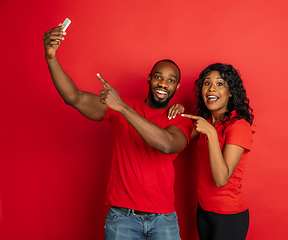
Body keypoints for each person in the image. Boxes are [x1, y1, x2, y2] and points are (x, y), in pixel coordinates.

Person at [42, 23, 193, 240]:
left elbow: (167, 144)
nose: (163, 83)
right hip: (123, 219)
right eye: (158, 77)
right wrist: (51, 58)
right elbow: (74, 97)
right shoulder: (118, 107)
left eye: (171, 80)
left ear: (177, 87)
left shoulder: (180, 118)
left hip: (164, 219)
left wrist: (123, 107)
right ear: (149, 79)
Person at [169, 63, 254, 240]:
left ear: (230, 92)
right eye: (207, 83)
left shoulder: (238, 126)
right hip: (203, 210)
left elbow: (221, 179)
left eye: (220, 84)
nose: (212, 88)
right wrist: (178, 112)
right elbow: (174, 140)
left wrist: (211, 133)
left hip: (229, 215)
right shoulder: (205, 122)